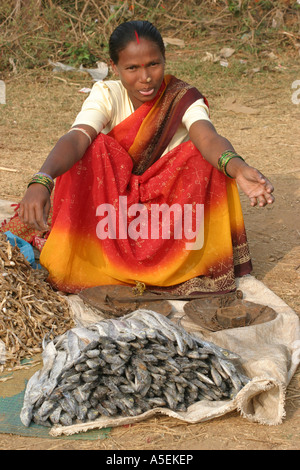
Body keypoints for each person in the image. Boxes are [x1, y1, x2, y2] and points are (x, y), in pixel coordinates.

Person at [9, 20, 274, 294]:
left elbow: (207, 137)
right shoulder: (107, 94)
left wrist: (237, 166)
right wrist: (42, 180)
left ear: (164, 60)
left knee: (203, 158)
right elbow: (77, 138)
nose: (145, 77)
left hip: (167, 208)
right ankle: (91, 257)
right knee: (92, 148)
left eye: (153, 64)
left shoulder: (182, 98)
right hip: (112, 208)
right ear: (115, 68)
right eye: (132, 68)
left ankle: (189, 263)